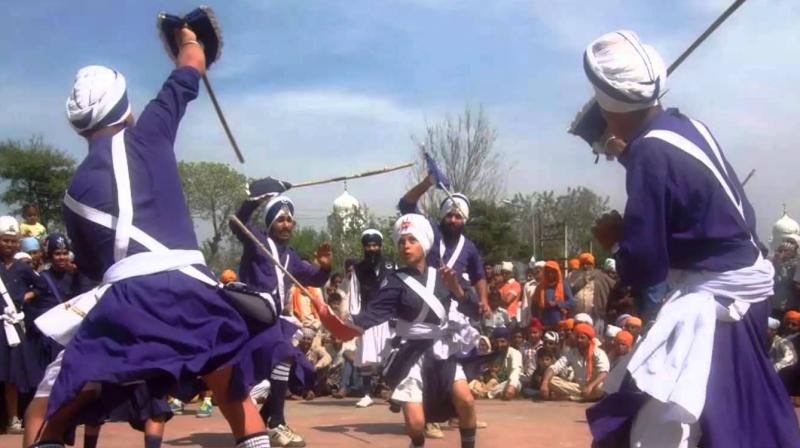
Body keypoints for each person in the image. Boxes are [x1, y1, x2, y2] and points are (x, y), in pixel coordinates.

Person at [27, 29, 279, 448]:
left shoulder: (73, 197)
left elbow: (93, 269)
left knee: (49, 408)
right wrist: (188, 35)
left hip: (125, 303)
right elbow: (191, 64)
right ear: (126, 108)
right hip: (192, 294)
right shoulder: (151, 132)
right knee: (236, 399)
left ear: (77, 126)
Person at [582, 30, 800, 447]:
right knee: (733, 414)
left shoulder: (648, 154)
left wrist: (614, 241)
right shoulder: (684, 126)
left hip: (715, 305)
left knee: (659, 422)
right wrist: (626, 154)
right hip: (745, 295)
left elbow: (645, 266)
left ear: (604, 101)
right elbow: (680, 180)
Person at [313, 213, 484, 448]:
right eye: (402, 241)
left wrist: (458, 290)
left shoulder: (444, 276)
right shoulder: (395, 281)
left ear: (424, 243)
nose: (406, 246)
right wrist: (342, 324)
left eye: (412, 240)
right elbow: (369, 316)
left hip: (440, 349)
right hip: (410, 352)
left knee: (466, 400)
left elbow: (476, 311)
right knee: (415, 425)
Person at [231, 189, 332, 447]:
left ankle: (270, 419)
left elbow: (315, 279)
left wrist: (325, 267)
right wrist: (257, 194)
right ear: (270, 222)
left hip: (275, 321)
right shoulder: (257, 242)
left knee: (285, 362)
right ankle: (275, 422)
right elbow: (237, 221)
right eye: (280, 219)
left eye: (289, 220)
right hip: (253, 319)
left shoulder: (292, 256)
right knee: (283, 353)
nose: (286, 224)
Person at [399, 171, 490, 317]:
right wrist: (427, 182)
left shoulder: (469, 247)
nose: (453, 220)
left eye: (458, 216)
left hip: (455, 308)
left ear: (464, 220)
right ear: (442, 216)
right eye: (449, 215)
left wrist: (484, 301)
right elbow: (405, 205)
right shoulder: (430, 230)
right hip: (423, 299)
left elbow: (478, 276)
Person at [0, 216, 50, 434]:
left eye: (12, 240)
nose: (9, 244)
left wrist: (27, 296)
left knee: (14, 375)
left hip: (15, 328)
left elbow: (42, 287)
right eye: (4, 240)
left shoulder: (22, 268)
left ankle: (13, 418)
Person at [347, 229, 395, 409]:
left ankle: (393, 391)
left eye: (375, 245)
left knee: (391, 354)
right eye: (368, 246)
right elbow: (354, 294)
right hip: (367, 317)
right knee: (366, 356)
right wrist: (355, 318)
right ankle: (367, 394)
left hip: (387, 316)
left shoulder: (391, 266)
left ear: (380, 246)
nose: (372, 249)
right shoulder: (358, 270)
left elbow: (396, 290)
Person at [540, 323, 608, 402]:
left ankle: (573, 397)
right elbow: (554, 368)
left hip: (595, 388)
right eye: (577, 337)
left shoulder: (598, 353)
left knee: (601, 387)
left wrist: (590, 386)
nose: (579, 340)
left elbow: (604, 373)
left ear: (589, 340)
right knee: (550, 380)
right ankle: (580, 397)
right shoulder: (572, 353)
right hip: (580, 389)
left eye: (582, 338)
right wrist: (544, 383)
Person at [571, 253, 615, 334]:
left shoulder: (600, 276)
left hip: (596, 316)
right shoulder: (572, 276)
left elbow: (615, 286)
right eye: (583, 264)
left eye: (588, 264)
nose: (585, 266)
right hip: (576, 317)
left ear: (593, 265)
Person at [535, 261, 575, 327]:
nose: (550, 274)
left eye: (552, 272)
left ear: (556, 272)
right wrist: (537, 321)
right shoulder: (541, 286)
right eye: (548, 272)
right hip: (544, 321)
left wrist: (557, 304)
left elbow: (571, 302)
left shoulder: (563, 285)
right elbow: (534, 304)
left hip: (560, 321)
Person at [772, 236, 800, 318]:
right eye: (781, 250)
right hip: (773, 306)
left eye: (786, 251)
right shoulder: (772, 263)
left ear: (793, 253)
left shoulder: (796, 265)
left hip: (789, 308)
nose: (782, 253)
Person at [520, 318, 544, 388]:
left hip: (538, 376)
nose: (532, 335)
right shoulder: (523, 346)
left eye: (535, 333)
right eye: (530, 333)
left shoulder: (543, 346)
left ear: (540, 333)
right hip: (524, 376)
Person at [521, 261, 544, 326]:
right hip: (532, 319)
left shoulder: (548, 285)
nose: (536, 274)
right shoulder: (528, 285)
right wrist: (524, 323)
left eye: (538, 271)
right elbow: (525, 304)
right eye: (535, 271)